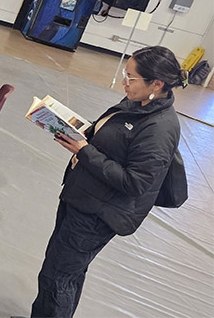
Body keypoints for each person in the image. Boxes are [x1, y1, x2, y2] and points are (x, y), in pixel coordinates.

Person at [31, 46, 188, 318]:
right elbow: (112, 135)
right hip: (83, 197)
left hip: (98, 214)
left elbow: (135, 183)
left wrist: (85, 151)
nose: (124, 82)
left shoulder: (159, 128)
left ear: (157, 83)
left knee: (58, 277)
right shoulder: (138, 103)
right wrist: (79, 129)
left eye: (131, 77)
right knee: (61, 272)